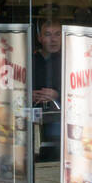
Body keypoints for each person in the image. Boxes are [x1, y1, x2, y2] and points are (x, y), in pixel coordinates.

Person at [31, 18, 63, 153]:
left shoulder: (69, 59)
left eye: (57, 34)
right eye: (48, 35)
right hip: (32, 113)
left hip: (59, 115)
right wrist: (27, 94)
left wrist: (57, 94)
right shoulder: (31, 59)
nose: (53, 39)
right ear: (40, 38)